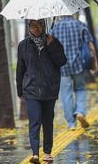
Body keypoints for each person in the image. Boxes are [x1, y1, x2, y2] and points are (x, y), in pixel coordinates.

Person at [16, 19, 67, 163]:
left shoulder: (53, 42)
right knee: (34, 121)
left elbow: (62, 61)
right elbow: (20, 69)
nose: (36, 28)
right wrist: (20, 90)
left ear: (44, 25)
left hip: (49, 89)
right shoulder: (23, 45)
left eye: (39, 25)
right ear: (28, 27)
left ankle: (47, 152)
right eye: (33, 25)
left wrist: (52, 46)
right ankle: (35, 153)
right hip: (31, 90)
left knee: (47, 122)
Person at [50, 15, 98, 130]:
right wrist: (95, 62)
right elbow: (90, 45)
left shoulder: (54, 28)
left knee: (66, 94)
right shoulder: (80, 25)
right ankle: (80, 111)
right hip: (78, 64)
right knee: (80, 88)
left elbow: (50, 47)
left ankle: (71, 124)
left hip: (62, 66)